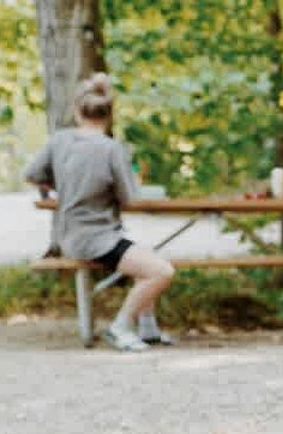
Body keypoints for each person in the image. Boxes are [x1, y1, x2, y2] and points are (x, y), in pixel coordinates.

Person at [24, 73, 174, 351]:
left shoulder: (59, 141)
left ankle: (148, 328)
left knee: (147, 256)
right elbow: (129, 199)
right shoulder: (111, 149)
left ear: (77, 111)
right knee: (160, 271)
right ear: (109, 115)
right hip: (97, 239)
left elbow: (32, 174)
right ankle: (120, 327)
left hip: (71, 235)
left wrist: (58, 188)